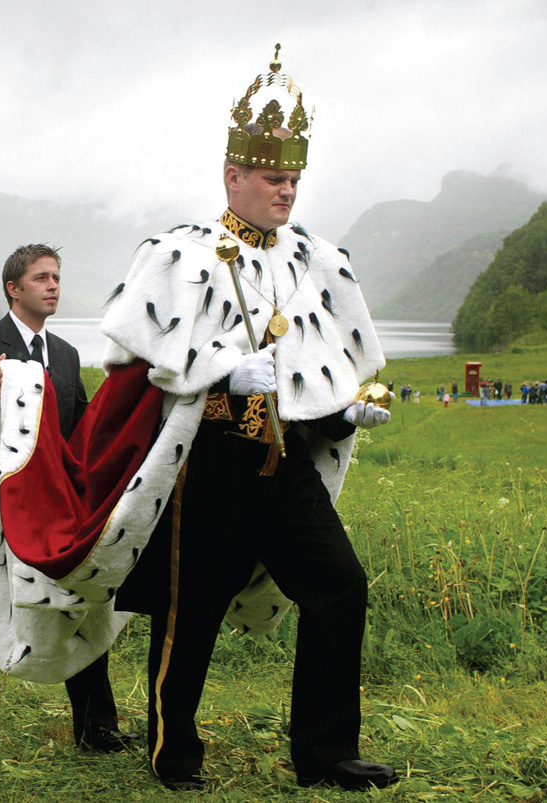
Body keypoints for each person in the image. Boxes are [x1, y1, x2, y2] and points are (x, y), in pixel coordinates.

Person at [98, 48, 396, 791]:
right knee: (188, 610)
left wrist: (342, 408)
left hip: (286, 465)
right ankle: (173, 753)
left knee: (340, 585)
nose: (286, 190)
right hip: (212, 465)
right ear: (233, 176)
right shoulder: (181, 254)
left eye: (294, 178)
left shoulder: (318, 262)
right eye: (272, 178)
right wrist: (220, 374)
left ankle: (326, 753)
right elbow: (135, 362)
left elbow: (321, 365)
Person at [0, 244, 135, 751]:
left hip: (52, 513)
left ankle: (96, 727)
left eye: (57, 278)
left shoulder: (65, 354)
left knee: (76, 604)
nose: (53, 286)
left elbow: (83, 426)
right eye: (42, 278)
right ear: (13, 288)